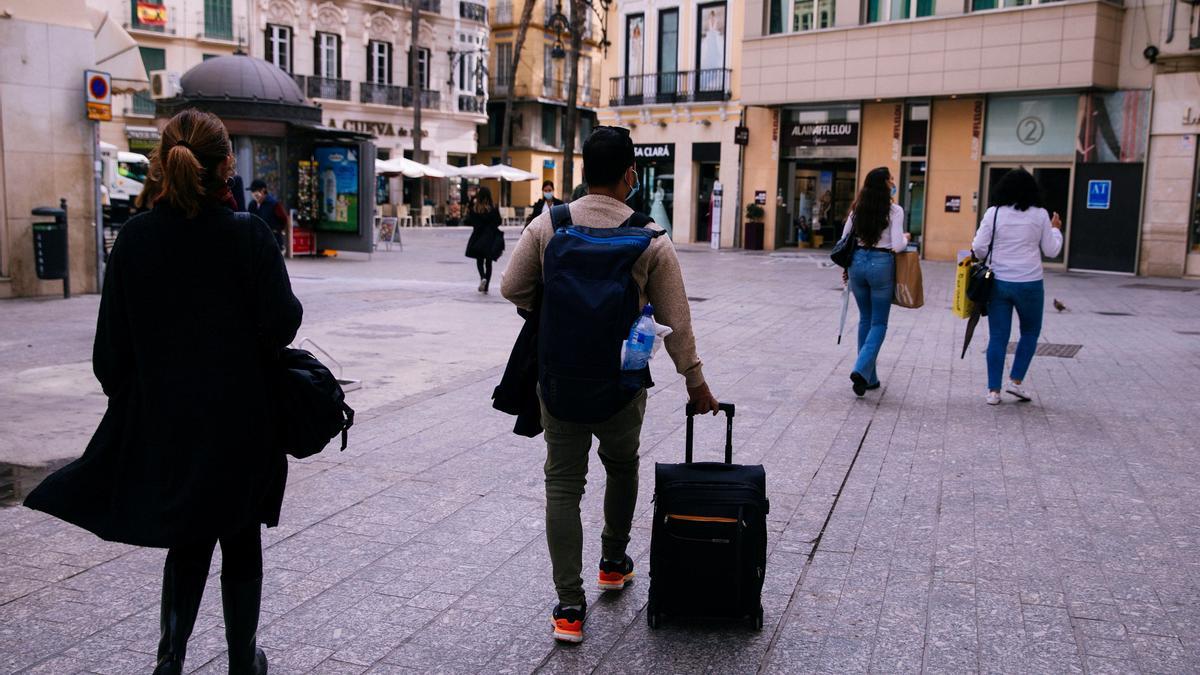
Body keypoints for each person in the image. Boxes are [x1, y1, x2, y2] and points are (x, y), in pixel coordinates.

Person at [23, 109, 302, 675]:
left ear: (162, 164)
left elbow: (110, 356)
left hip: (170, 422)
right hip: (241, 422)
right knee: (239, 536)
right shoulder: (247, 235)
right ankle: (244, 662)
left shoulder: (137, 237)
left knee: (189, 535)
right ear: (226, 165)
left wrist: (154, 394)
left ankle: (169, 658)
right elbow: (284, 322)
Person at [502, 126, 719, 644]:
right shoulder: (651, 238)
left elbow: (513, 287)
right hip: (622, 384)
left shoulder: (547, 225)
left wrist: (551, 311)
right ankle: (613, 561)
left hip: (558, 381)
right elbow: (677, 321)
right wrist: (696, 383)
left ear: (582, 174)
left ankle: (569, 609)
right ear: (630, 176)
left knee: (562, 484)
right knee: (621, 468)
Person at [972, 168, 1063, 405]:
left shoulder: (994, 213)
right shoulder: (1041, 215)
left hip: (999, 282)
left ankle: (993, 392)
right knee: (1030, 332)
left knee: (998, 337)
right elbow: (1052, 250)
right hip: (1030, 283)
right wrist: (1056, 230)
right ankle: (1016, 381)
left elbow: (979, 248)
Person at [842, 166, 909, 397]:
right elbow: (899, 245)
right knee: (879, 323)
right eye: (891, 178)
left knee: (865, 319)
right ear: (885, 184)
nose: (893, 181)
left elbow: (844, 239)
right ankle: (861, 369)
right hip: (881, 264)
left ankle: (869, 378)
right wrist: (906, 238)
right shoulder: (894, 211)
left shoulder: (857, 209)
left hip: (857, 263)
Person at [464, 186, 504, 293]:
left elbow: (469, 221)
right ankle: (486, 287)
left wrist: (471, 201)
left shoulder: (476, 208)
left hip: (478, 237)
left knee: (479, 260)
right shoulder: (494, 207)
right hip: (490, 238)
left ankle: (482, 277)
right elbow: (499, 221)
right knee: (489, 263)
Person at [249, 179, 290, 251]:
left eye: (256, 191)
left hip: (273, 241)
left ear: (263, 190)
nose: (254, 193)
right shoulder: (252, 205)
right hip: (257, 242)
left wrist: (277, 230)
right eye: (252, 191)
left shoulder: (273, 204)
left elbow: (284, 218)